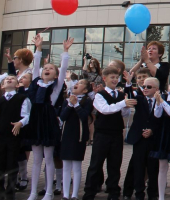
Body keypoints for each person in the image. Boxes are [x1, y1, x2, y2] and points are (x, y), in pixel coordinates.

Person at [27, 34, 72, 200]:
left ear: (55, 75)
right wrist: (38, 48)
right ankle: (32, 192)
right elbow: (36, 64)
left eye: (51, 69)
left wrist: (65, 52)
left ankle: (49, 191)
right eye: (46, 68)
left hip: (48, 121)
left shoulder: (56, 86)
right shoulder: (35, 82)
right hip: (35, 120)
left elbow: (64, 70)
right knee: (36, 159)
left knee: (49, 157)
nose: (47, 69)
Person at [81, 67, 133, 200]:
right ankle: (90, 191)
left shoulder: (121, 95)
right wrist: (122, 103)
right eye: (112, 77)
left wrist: (125, 107)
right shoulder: (100, 95)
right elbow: (105, 110)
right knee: (96, 163)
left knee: (115, 164)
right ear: (104, 79)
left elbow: (124, 113)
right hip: (102, 134)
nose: (115, 80)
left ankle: (113, 190)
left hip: (116, 133)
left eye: (116, 77)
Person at [0, 74, 30, 200]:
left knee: (12, 164)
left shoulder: (22, 98)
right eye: (6, 79)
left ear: (17, 85)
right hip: (0, 137)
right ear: (2, 86)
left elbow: (26, 115)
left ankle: (10, 194)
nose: (9, 80)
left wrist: (20, 123)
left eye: (12, 79)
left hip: (14, 136)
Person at [125, 77, 162, 200]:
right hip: (139, 139)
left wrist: (152, 131)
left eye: (149, 87)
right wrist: (129, 83)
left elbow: (161, 121)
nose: (145, 89)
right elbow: (130, 95)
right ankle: (138, 193)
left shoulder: (161, 101)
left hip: (153, 140)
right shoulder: (140, 100)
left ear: (156, 89)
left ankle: (153, 194)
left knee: (153, 168)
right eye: (144, 86)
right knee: (138, 167)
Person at [59, 79, 93, 200]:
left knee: (77, 165)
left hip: (79, 136)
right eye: (76, 83)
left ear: (85, 90)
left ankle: (74, 194)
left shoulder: (87, 101)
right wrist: (69, 104)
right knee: (66, 165)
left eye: (81, 83)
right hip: (66, 135)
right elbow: (62, 117)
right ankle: (66, 194)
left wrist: (76, 105)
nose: (76, 84)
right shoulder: (66, 100)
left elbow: (84, 117)